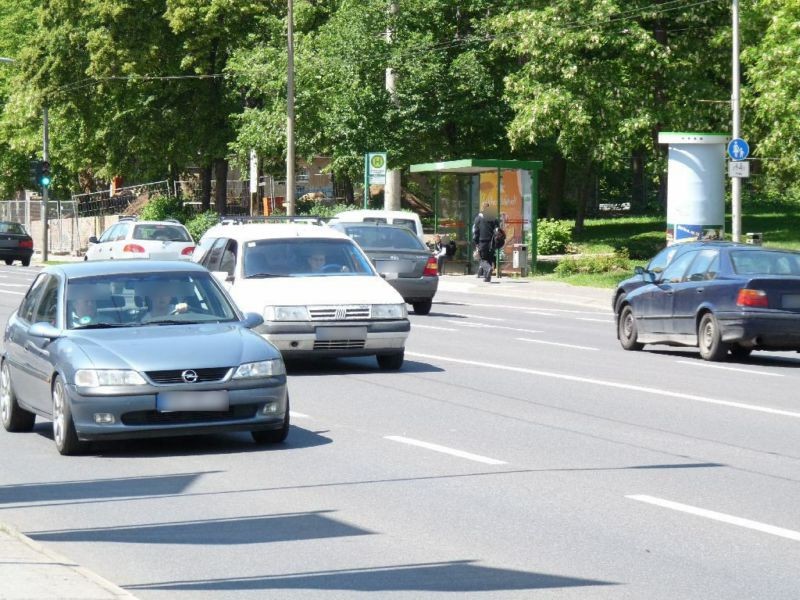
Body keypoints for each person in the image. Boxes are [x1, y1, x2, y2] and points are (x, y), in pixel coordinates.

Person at [473, 202, 497, 282]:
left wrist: (476, 242)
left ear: (482, 208)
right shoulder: (493, 218)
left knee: (482, 259)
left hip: (482, 241)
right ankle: (488, 277)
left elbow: (476, 231)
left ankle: (488, 268)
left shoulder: (478, 218)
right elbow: (497, 230)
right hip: (492, 242)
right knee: (489, 258)